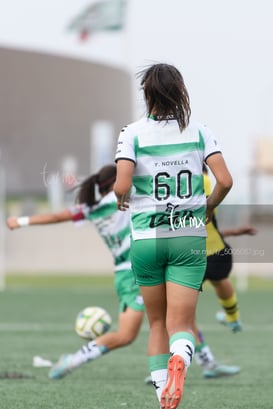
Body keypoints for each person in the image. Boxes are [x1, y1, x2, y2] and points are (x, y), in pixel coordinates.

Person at [114, 63, 233, 409]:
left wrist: (123, 197)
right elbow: (225, 180)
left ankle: (163, 396)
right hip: (188, 236)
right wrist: (208, 207)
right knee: (181, 323)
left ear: (147, 94)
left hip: (147, 239)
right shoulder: (199, 132)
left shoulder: (131, 133)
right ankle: (180, 358)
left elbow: (121, 185)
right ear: (180, 91)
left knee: (155, 325)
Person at [6, 165, 145, 379]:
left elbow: (55, 218)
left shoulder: (90, 209)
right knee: (127, 335)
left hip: (125, 273)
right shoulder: (126, 199)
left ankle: (184, 365)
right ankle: (76, 359)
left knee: (170, 316)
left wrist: (21, 221)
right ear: (117, 183)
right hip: (134, 272)